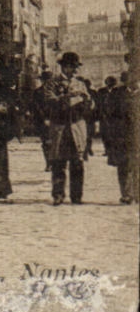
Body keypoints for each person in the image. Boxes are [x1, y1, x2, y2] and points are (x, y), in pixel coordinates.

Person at [36, 51, 93, 205]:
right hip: (59, 128)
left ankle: (76, 196)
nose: (75, 70)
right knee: (58, 163)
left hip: (76, 128)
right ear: (64, 67)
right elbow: (50, 102)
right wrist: (68, 97)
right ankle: (58, 194)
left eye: (76, 67)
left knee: (77, 163)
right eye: (72, 67)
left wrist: (87, 101)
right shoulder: (52, 83)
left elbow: (89, 106)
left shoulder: (80, 84)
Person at [98, 72, 132, 205]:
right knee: (124, 166)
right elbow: (109, 114)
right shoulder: (116, 94)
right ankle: (126, 194)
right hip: (122, 135)